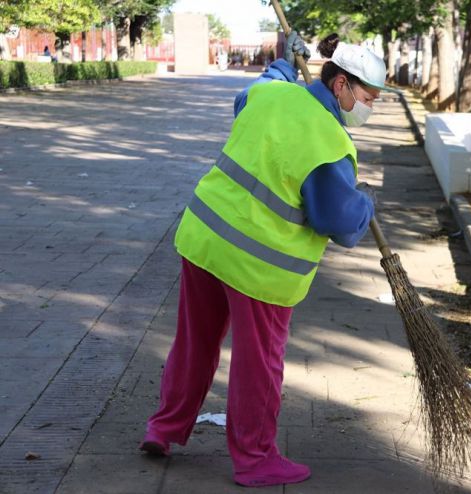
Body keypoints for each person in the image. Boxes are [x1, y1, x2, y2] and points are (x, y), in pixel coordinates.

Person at [139, 32, 386, 488]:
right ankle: (255, 459)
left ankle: (164, 428)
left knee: (195, 343)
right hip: (260, 268)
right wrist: (365, 201)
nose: (370, 107)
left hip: (206, 239)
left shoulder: (271, 94)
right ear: (340, 86)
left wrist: (284, 62)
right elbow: (338, 222)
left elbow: (250, 93)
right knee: (258, 364)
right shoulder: (331, 144)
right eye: (368, 97)